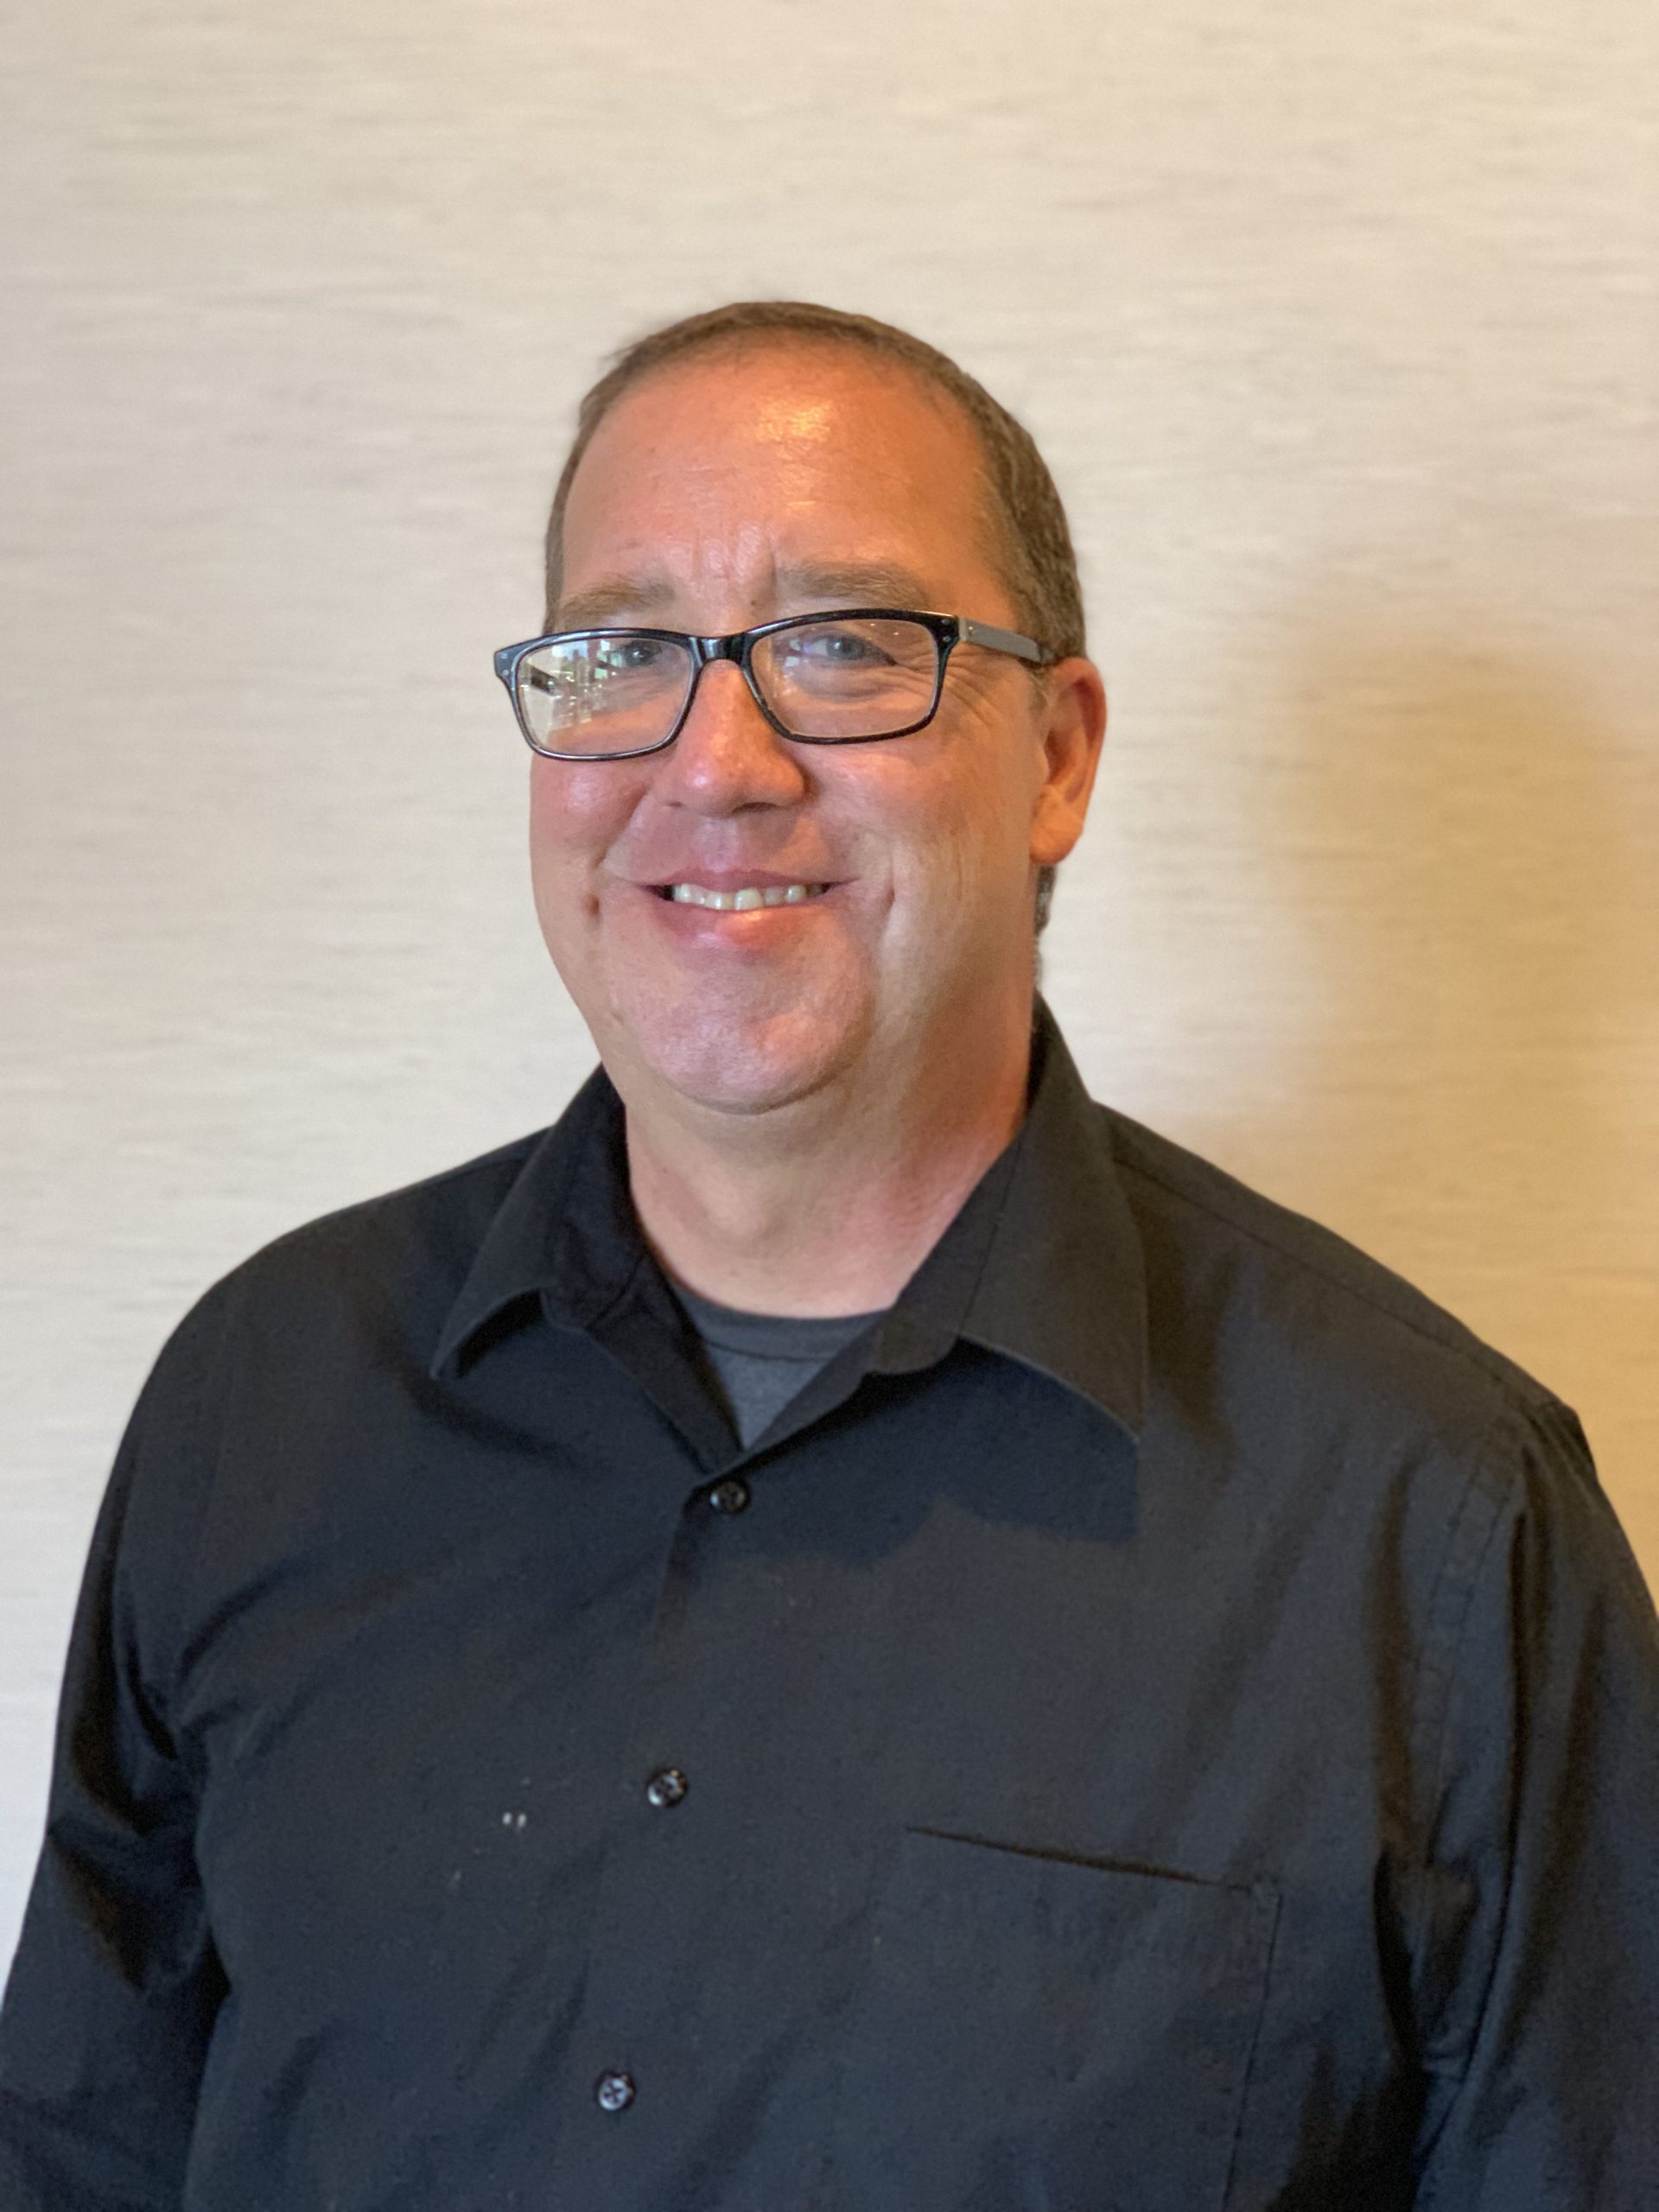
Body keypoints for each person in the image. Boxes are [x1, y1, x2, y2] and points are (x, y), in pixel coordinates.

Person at [2, 299, 1656, 2211]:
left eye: (845, 646)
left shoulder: (1434, 1528)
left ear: (1058, 758)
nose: (716, 763)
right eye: (625, 654)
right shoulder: (267, 1394)